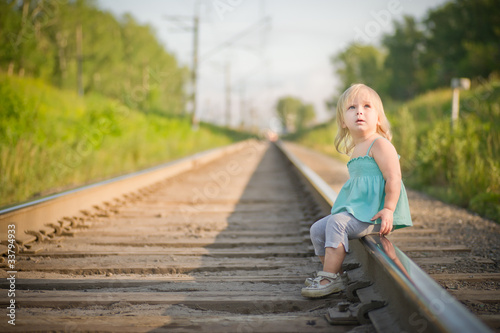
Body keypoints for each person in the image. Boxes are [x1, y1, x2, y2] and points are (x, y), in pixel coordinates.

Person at [301, 83, 413, 298]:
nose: (359, 111)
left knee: (336, 223)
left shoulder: (380, 144)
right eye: (352, 108)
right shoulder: (356, 148)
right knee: (317, 229)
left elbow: (394, 178)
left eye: (367, 106)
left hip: (375, 213)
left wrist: (388, 209)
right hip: (359, 210)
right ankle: (336, 276)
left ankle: (327, 278)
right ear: (343, 121)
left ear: (378, 118)